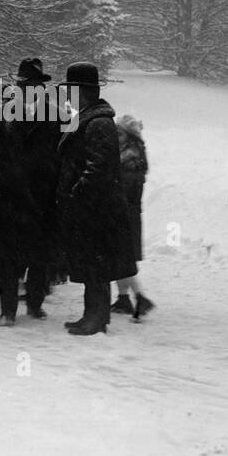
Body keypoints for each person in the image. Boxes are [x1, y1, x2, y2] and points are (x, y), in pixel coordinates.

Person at [55, 62, 136, 336]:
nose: (66, 95)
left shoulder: (98, 122)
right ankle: (91, 314)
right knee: (91, 264)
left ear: (82, 91)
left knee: (96, 265)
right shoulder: (88, 118)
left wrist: (77, 193)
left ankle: (97, 317)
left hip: (96, 210)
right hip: (90, 208)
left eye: (70, 90)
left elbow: (98, 168)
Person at [0, 58, 61, 326]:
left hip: (41, 198)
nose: (29, 90)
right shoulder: (0, 115)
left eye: (34, 85)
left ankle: (35, 304)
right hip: (10, 198)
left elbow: (60, 158)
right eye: (25, 85)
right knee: (9, 258)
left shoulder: (55, 116)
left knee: (38, 256)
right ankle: (8, 309)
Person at [111, 114, 155, 321]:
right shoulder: (128, 154)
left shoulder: (130, 157)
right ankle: (123, 298)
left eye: (119, 133)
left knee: (122, 258)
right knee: (119, 258)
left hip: (125, 214)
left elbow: (126, 188)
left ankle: (139, 297)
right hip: (125, 212)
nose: (115, 136)